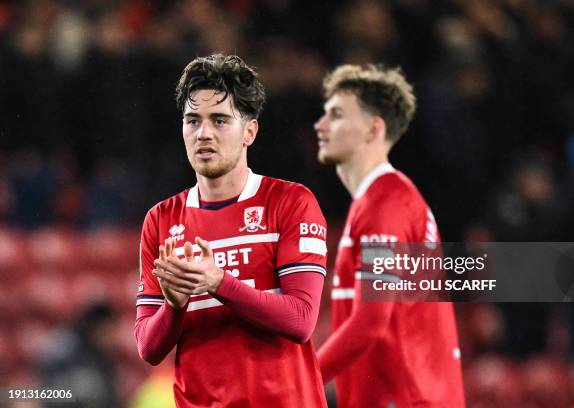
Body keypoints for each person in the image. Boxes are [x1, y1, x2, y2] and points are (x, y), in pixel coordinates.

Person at [134, 53, 328, 407]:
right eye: (193, 120)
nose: (204, 133)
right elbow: (148, 347)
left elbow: (302, 320)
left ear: (249, 131)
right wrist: (174, 307)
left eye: (220, 120)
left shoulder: (289, 202)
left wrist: (218, 282)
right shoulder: (161, 220)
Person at [314, 64, 465, 407]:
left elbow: (371, 322)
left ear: (373, 128)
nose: (320, 126)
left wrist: (300, 380)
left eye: (336, 115)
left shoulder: (386, 206)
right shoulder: (381, 203)